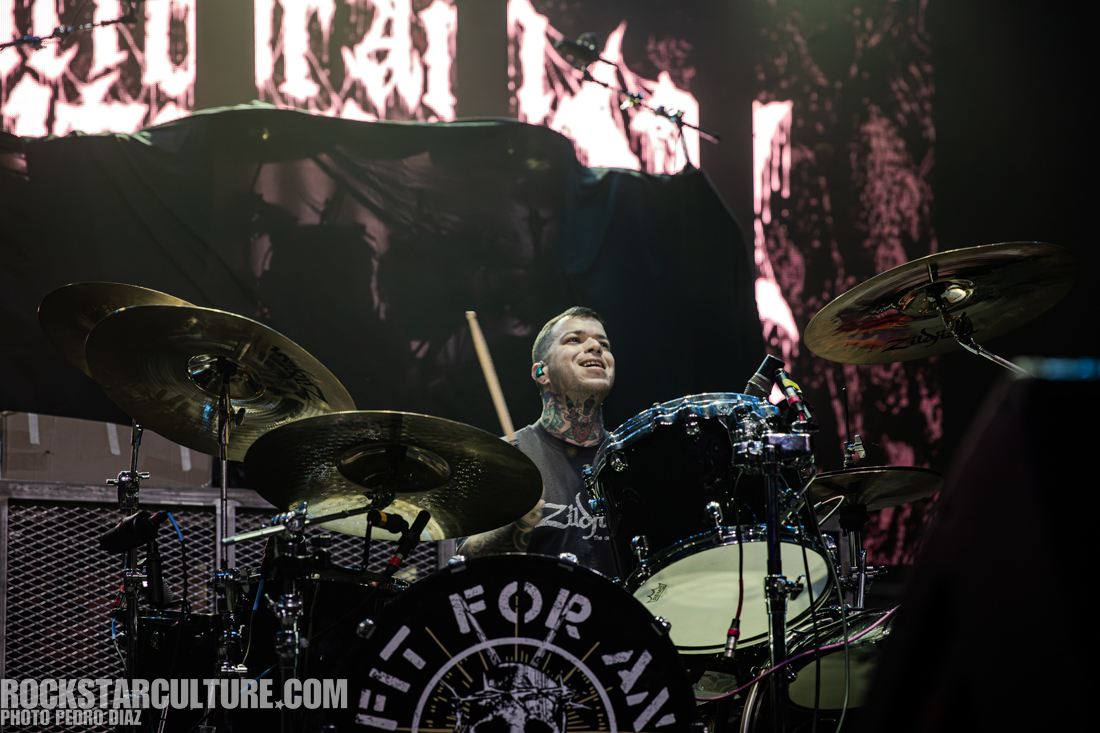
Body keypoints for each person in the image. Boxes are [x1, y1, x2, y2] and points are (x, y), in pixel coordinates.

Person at [458, 307, 617, 576]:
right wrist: (518, 524)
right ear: (541, 372)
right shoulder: (504, 458)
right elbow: (464, 563)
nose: (595, 347)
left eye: (603, 343)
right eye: (574, 340)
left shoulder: (628, 458)